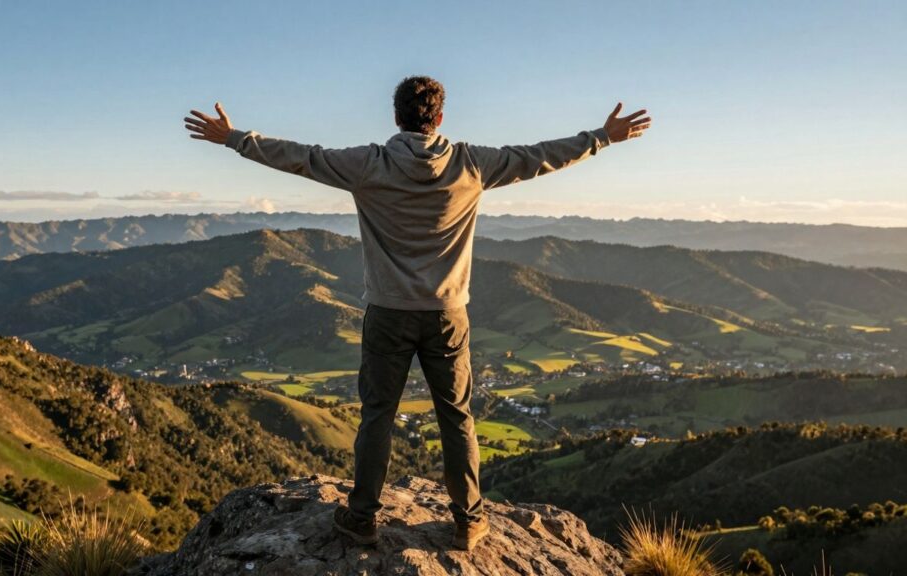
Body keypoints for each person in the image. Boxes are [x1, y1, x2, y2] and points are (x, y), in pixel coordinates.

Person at [184, 76, 650, 552]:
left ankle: (362, 517)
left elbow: (303, 157)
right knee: (457, 417)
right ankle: (469, 521)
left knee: (378, 416)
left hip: (387, 313)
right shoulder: (472, 164)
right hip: (448, 315)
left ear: (396, 117)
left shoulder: (369, 165)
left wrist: (235, 139)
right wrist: (601, 137)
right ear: (440, 118)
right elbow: (538, 156)